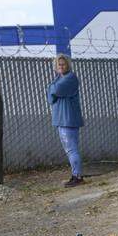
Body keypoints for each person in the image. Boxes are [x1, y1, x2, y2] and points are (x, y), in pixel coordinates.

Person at [49, 54, 84, 188]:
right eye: (59, 64)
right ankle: (75, 175)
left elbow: (55, 90)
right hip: (62, 120)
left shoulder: (70, 78)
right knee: (70, 149)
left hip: (68, 119)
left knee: (71, 149)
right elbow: (51, 96)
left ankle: (77, 176)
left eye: (63, 64)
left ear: (68, 65)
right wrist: (52, 89)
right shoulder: (60, 79)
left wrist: (52, 88)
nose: (61, 66)